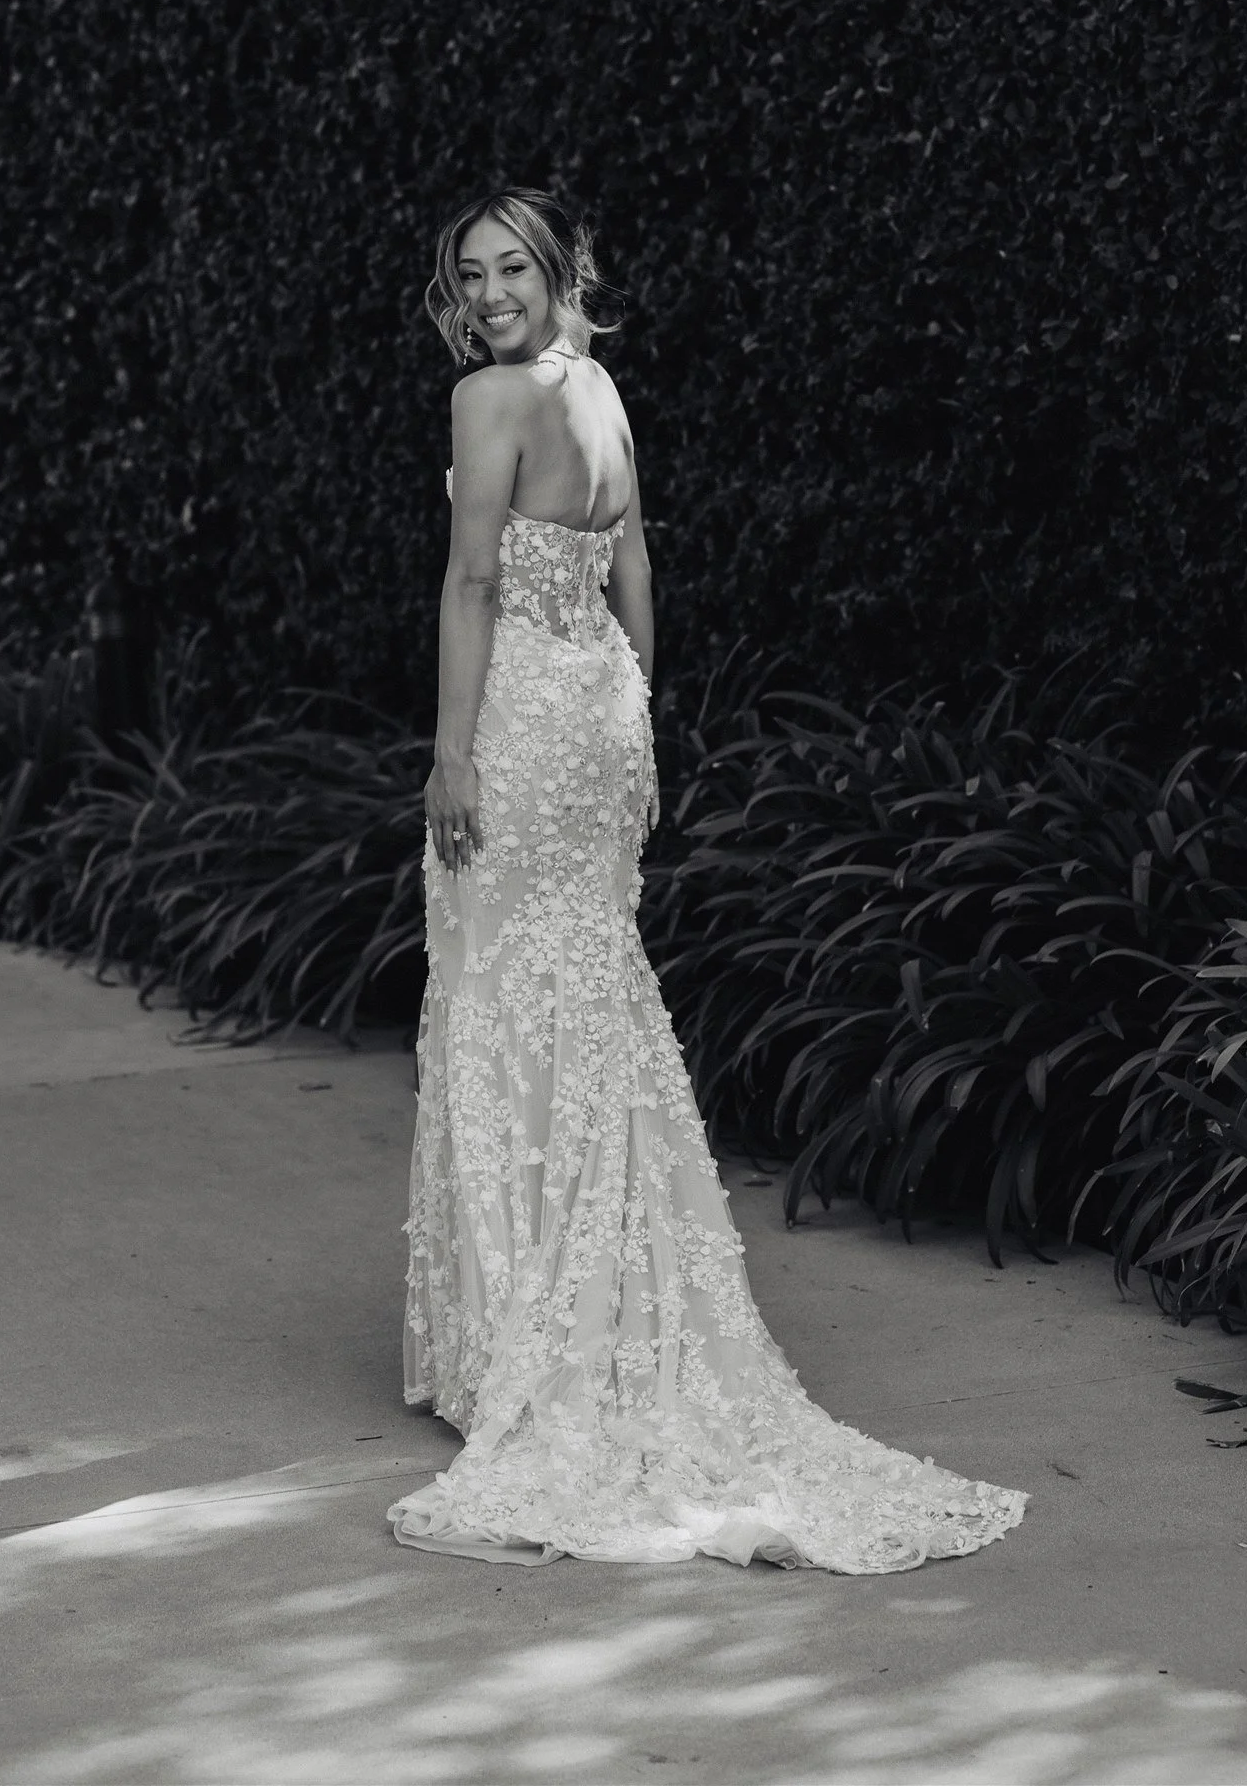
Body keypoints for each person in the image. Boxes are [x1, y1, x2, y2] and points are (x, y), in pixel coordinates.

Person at [387, 188, 1028, 1568]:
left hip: (522, 723)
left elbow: (469, 585)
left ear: (561, 268)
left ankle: (525, 1346)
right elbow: (632, 562)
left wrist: (452, 752)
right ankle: (592, 1311)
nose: (491, 291)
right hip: (605, 718)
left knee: (508, 1000)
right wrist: (640, 718)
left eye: (515, 267)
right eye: (472, 270)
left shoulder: (489, 400)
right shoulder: (602, 387)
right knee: (592, 999)